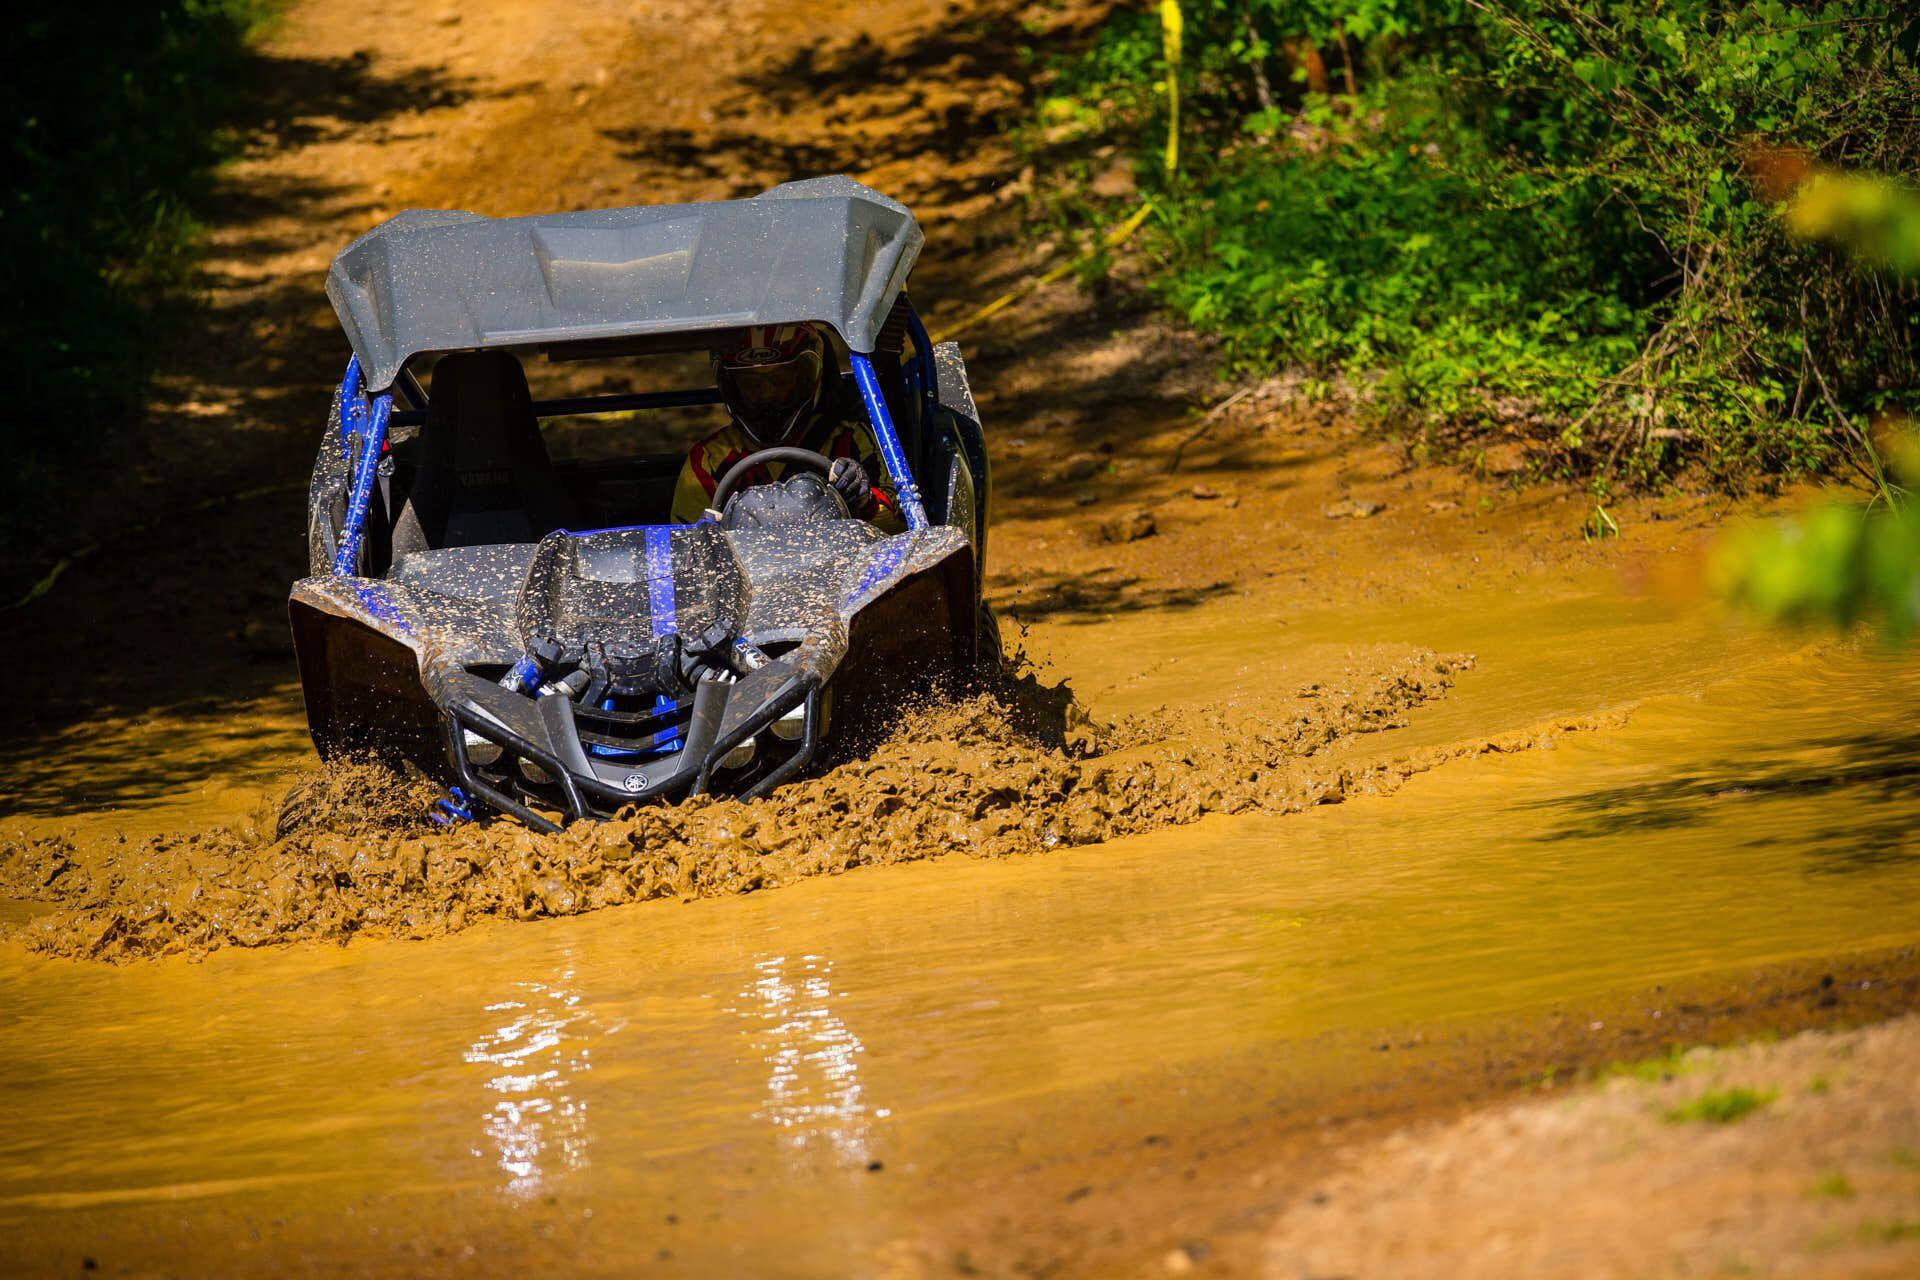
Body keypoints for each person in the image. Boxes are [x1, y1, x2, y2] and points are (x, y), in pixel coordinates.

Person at [670, 322, 903, 530]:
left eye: (780, 381)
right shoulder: (707, 460)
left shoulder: (852, 440)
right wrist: (706, 534)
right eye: (751, 385)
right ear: (732, 386)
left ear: (805, 378)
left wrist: (863, 499)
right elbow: (685, 555)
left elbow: (902, 527)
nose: (767, 396)